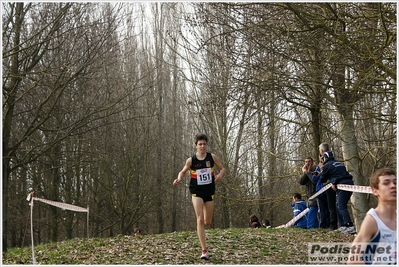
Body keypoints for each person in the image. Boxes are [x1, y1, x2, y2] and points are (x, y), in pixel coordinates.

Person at [173, 133, 226, 260]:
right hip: (196, 191)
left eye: (204, 144)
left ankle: (203, 215)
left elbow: (223, 169)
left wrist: (220, 176)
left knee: (207, 221)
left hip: (209, 191)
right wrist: (178, 178)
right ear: (196, 146)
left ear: (207, 145)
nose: (202, 146)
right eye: (200, 144)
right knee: (200, 219)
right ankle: (204, 250)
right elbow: (183, 171)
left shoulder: (212, 157)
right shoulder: (191, 160)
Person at [347, 167, 396, 265]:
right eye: (386, 183)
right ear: (375, 191)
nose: (393, 186)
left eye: (395, 182)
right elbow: (353, 260)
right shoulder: (372, 220)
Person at [319, 149, 356, 234]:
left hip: (342, 185)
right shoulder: (339, 163)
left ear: (325, 158)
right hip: (349, 183)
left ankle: (350, 226)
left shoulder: (327, 165)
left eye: (323, 158)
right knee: (338, 205)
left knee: (341, 206)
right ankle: (343, 226)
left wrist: (322, 170)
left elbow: (322, 179)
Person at [317, 143, 338, 230]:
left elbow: (324, 177)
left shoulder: (326, 161)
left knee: (330, 207)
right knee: (331, 206)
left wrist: (321, 170)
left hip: (328, 186)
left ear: (321, 151)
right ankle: (331, 224)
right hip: (329, 186)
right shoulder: (333, 159)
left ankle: (331, 225)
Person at [299, 157, 319, 229]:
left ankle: (310, 228)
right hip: (309, 196)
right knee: (313, 213)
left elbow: (314, 181)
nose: (307, 163)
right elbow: (301, 182)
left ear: (312, 163)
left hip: (316, 194)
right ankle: (317, 227)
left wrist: (308, 173)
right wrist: (305, 173)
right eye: (306, 162)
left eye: (309, 162)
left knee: (312, 212)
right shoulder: (307, 173)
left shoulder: (316, 170)